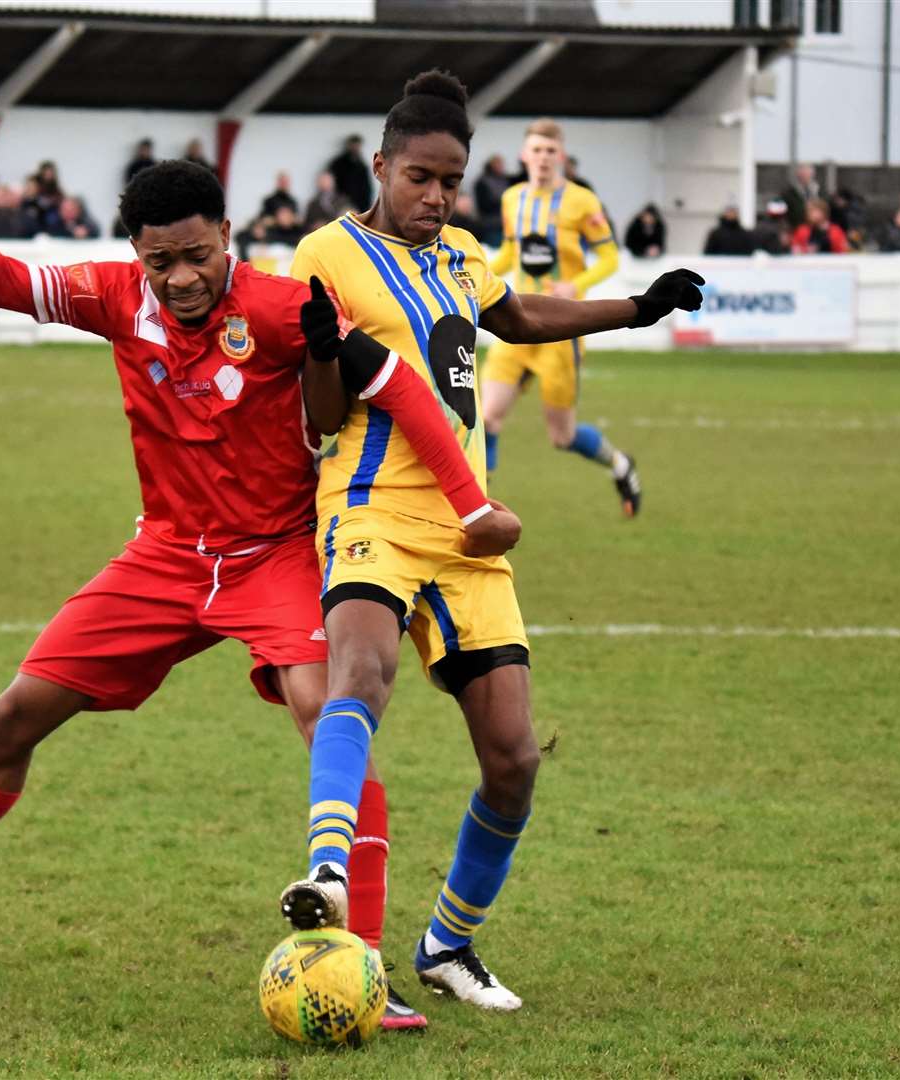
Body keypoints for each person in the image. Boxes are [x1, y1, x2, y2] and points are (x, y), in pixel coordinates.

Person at [0, 153, 522, 1035]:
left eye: (196, 256)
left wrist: (472, 504)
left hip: (276, 557)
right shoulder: (112, 297)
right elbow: (1, 278)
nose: (180, 279)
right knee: (13, 715)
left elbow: (399, 386)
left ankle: (362, 962)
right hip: (165, 559)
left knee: (329, 714)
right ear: (136, 256)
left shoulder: (282, 306)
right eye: (159, 262)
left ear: (228, 237)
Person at [279, 70, 702, 1011]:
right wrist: (315, 350)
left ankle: (447, 945)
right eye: (421, 177)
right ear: (381, 165)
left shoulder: (466, 254)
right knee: (362, 677)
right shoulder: (323, 254)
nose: (437, 196)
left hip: (469, 531)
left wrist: (638, 308)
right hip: (370, 507)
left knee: (512, 758)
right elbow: (318, 409)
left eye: (452, 180)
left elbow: (521, 318)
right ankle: (329, 873)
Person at [480, 118, 637, 513]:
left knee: (561, 436)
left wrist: (576, 284)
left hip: (559, 330)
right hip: (512, 321)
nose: (543, 158)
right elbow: (509, 256)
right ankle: (480, 507)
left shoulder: (582, 201)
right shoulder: (512, 198)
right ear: (524, 155)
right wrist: (476, 270)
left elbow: (610, 257)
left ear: (561, 156)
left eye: (550, 151)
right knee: (486, 418)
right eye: (536, 150)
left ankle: (620, 464)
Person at [472, 154, 510, 245]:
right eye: (498, 164)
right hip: (490, 225)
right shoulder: (482, 182)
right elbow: (483, 206)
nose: (501, 166)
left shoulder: (504, 179)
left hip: (505, 223)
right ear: (491, 165)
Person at [328, 134, 372, 212]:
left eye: (357, 146)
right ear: (348, 145)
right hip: (341, 202)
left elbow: (366, 187)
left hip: (360, 204)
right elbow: (331, 183)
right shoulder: (338, 163)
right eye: (354, 145)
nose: (355, 148)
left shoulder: (362, 165)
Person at [781, 162, 821, 228]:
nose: (805, 176)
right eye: (803, 173)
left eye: (807, 173)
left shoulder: (820, 191)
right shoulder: (788, 193)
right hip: (796, 228)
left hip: (817, 229)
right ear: (798, 175)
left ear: (812, 174)